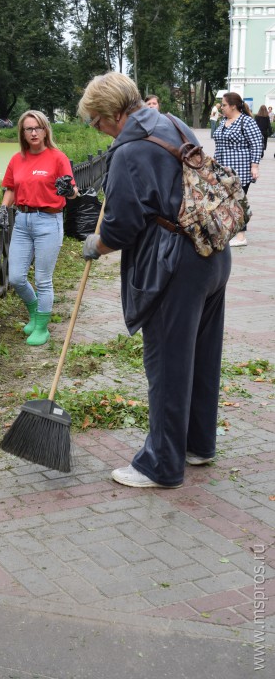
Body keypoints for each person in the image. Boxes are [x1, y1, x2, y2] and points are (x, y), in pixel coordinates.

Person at [79, 72, 231, 489]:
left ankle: (160, 466)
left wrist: (95, 244)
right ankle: (198, 445)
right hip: (212, 254)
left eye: (96, 121)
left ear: (113, 113)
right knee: (199, 357)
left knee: (167, 363)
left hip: (175, 265)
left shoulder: (128, 153)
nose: (98, 129)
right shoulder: (173, 123)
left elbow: (122, 228)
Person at [0, 110, 78, 346]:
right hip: (22, 221)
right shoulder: (17, 159)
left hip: (48, 222)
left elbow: (73, 192)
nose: (33, 133)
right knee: (16, 277)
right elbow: (10, 188)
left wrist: (67, 190)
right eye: (28, 128)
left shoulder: (57, 157)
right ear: (22, 132)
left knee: (43, 279)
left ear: (45, 130)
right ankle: (34, 312)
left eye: (38, 128)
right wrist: (3, 209)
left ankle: (42, 327)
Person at [213, 92, 262, 247]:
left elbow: (256, 143)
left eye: (224, 105)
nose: (221, 108)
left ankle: (241, 237)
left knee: (237, 203)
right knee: (226, 202)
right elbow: (219, 145)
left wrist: (254, 166)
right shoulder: (223, 121)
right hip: (222, 170)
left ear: (233, 106)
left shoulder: (246, 121)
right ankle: (231, 232)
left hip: (240, 170)